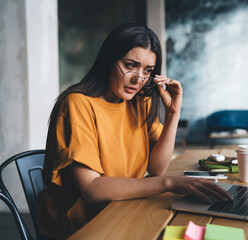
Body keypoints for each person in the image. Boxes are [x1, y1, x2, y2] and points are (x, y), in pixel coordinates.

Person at [36, 23, 232, 239]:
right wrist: (169, 183)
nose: (138, 79)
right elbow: (91, 189)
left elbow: (157, 168)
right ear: (109, 60)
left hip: (124, 207)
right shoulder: (77, 104)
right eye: (130, 65)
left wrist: (173, 114)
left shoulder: (140, 103)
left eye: (148, 71)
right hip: (83, 224)